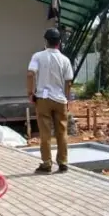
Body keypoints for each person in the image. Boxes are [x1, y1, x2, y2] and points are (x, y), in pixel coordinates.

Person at [27, 28, 73, 174]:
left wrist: (30, 92)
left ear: (45, 41)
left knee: (45, 133)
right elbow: (68, 82)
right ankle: (63, 163)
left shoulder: (38, 56)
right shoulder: (65, 60)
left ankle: (46, 164)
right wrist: (66, 99)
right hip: (60, 99)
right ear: (59, 42)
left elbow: (30, 74)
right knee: (62, 132)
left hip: (43, 99)